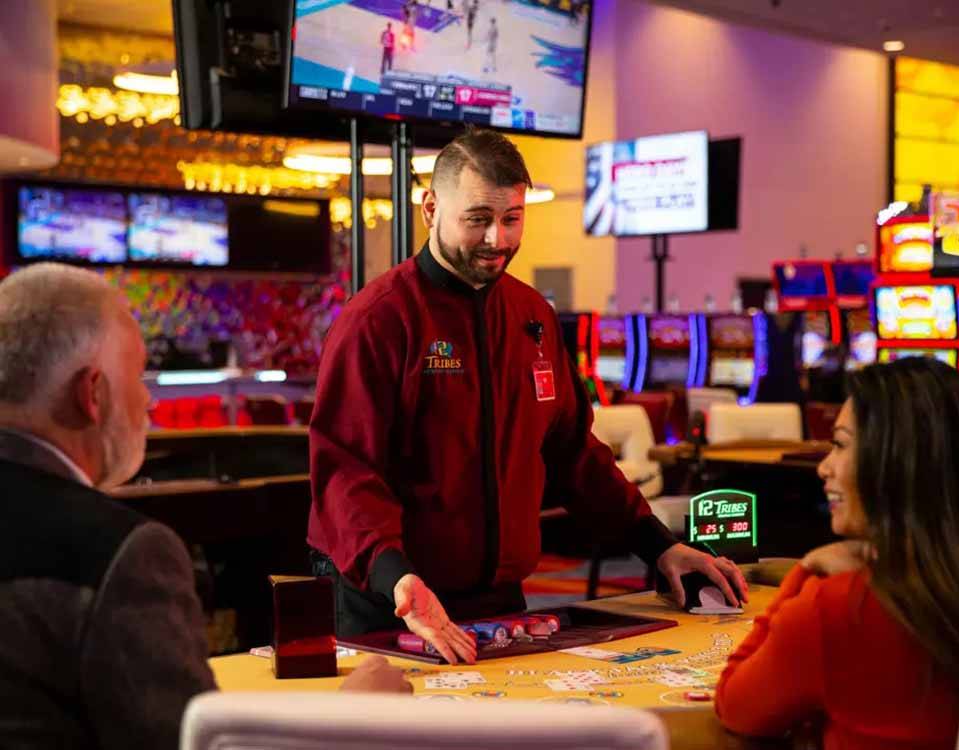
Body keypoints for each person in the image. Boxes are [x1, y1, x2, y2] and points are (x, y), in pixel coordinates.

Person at [308, 129, 748, 665]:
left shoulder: (531, 315)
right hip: (391, 601)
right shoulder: (378, 319)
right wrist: (395, 577)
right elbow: (346, 472)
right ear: (430, 208)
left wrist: (660, 546)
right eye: (478, 219)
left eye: (512, 218)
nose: (498, 238)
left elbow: (573, 454)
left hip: (498, 601)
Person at [0, 264, 411, 750]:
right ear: (92, 394)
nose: (148, 399)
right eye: (136, 375)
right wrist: (350, 716)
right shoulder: (124, 554)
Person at [716, 357, 959, 749]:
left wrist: (804, 575)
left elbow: (735, 705)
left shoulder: (836, 607)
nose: (824, 468)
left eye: (840, 445)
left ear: (896, 460)